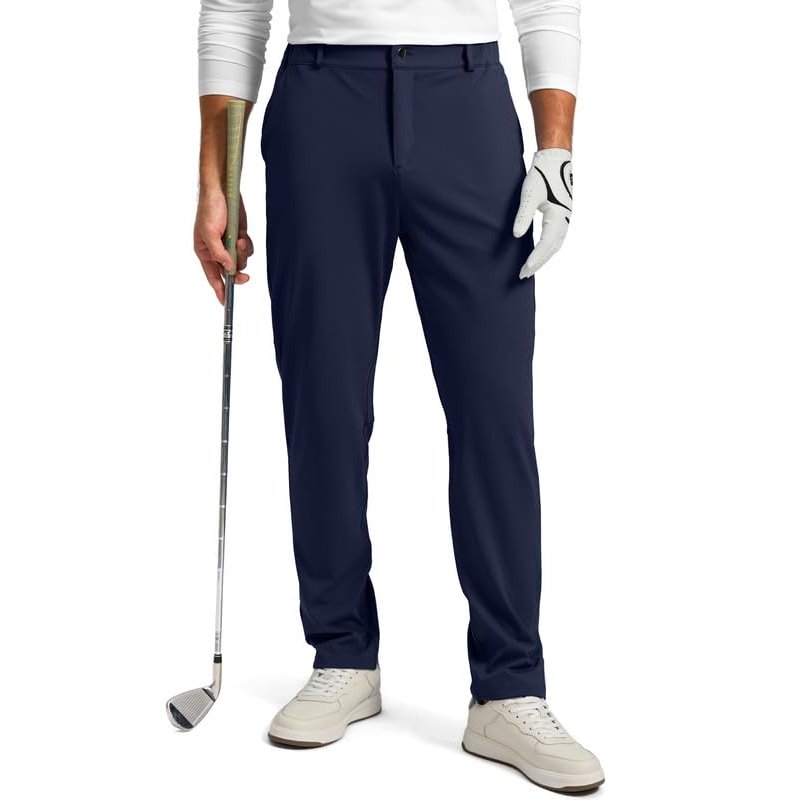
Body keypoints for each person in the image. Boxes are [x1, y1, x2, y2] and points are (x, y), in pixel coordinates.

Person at [193, 0, 603, 791]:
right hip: (321, 105)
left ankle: (509, 687)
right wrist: (216, 180)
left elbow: (547, 3)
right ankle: (342, 654)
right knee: (323, 399)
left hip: (468, 100)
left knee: (493, 408)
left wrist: (556, 151)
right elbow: (233, 14)